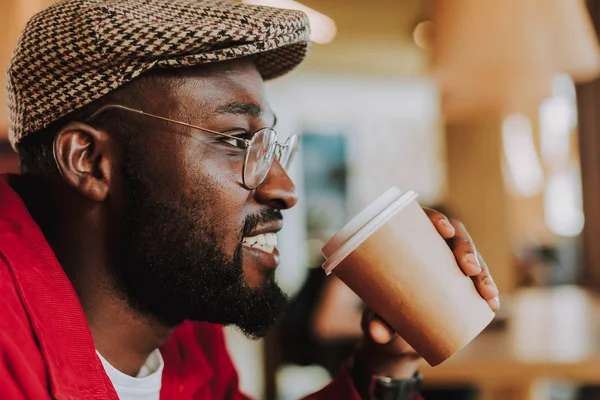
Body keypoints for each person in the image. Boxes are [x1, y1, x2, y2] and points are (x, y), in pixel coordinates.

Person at [0, 0, 500, 399]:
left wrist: (385, 364)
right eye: (238, 140)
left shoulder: (182, 320)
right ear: (88, 160)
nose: (284, 188)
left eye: (271, 146)